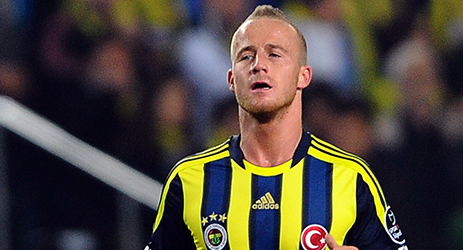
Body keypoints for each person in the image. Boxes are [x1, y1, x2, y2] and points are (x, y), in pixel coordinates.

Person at [146, 5, 408, 250]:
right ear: (231, 80)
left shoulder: (351, 178)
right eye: (246, 56)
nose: (259, 65)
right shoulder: (190, 179)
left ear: (302, 76)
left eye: (274, 54)